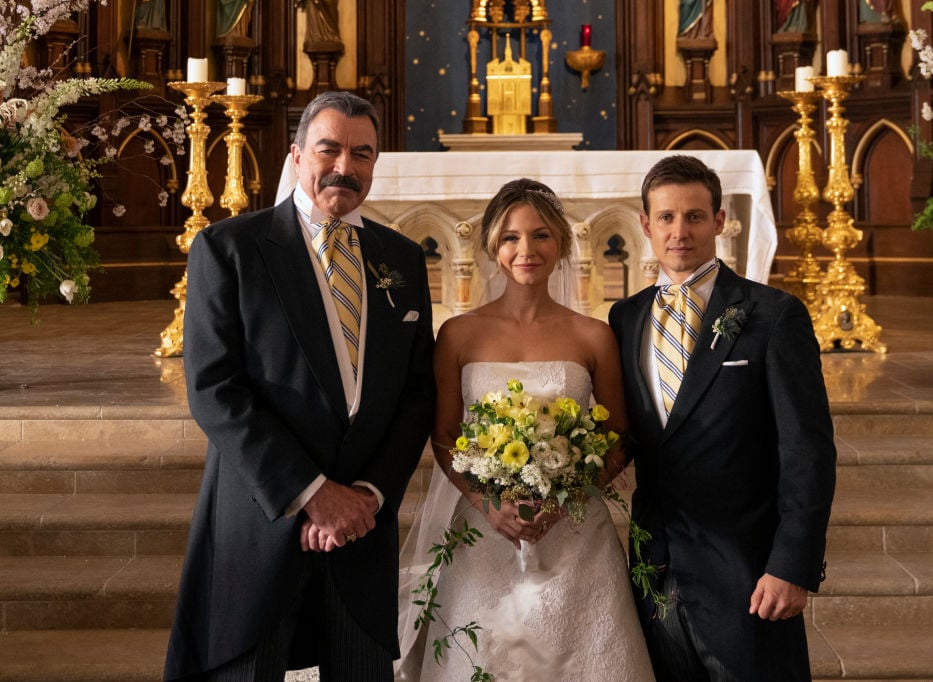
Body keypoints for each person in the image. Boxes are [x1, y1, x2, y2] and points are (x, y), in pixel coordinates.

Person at [163, 91, 436, 681]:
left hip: (362, 531)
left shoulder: (402, 259)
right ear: (295, 154)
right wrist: (312, 492)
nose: (345, 165)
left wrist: (366, 495)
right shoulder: (231, 248)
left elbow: (417, 394)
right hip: (263, 519)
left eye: (362, 153)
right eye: (329, 148)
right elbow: (215, 388)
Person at [395, 178, 656, 681]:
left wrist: (569, 495)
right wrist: (485, 503)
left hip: (576, 534)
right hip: (486, 530)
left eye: (540, 235)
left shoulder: (594, 335)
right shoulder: (458, 334)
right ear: (493, 246)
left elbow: (621, 437)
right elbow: (446, 436)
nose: (526, 250)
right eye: (511, 237)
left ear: (560, 243)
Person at [608, 155, 835, 681]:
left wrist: (790, 565)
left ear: (720, 220)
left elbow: (808, 453)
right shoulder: (625, 317)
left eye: (693, 216)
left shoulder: (773, 315)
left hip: (748, 572)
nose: (679, 231)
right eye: (665, 217)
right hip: (655, 570)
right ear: (645, 225)